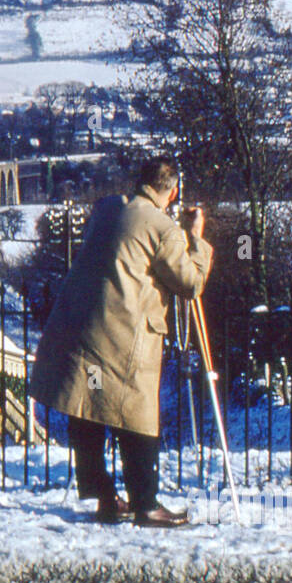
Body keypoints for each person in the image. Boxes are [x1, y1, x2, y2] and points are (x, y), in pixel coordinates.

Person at [29, 155, 212, 527]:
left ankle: (105, 496)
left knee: (89, 406)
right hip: (125, 336)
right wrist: (196, 239)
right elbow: (189, 283)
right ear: (173, 191)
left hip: (84, 331)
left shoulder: (108, 209)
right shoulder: (164, 229)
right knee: (136, 415)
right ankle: (145, 503)